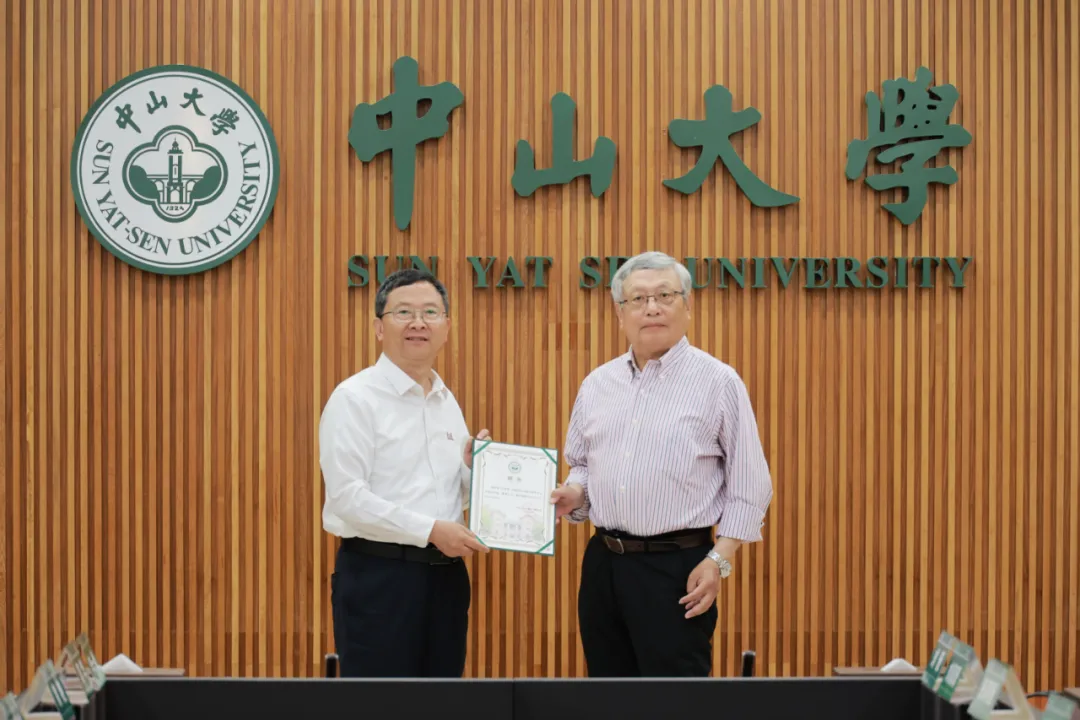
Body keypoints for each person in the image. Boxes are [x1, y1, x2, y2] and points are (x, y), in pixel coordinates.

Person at [550, 251, 774, 678]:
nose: (651, 308)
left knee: (675, 700)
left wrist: (719, 559)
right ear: (620, 313)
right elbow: (581, 464)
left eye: (665, 296)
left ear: (687, 305)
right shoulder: (597, 384)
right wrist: (575, 493)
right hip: (603, 564)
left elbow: (750, 484)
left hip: (678, 568)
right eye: (638, 299)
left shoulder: (718, 382)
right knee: (607, 694)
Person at [320, 268, 490, 678]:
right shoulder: (355, 398)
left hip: (446, 579)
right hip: (380, 578)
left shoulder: (446, 401)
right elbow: (347, 498)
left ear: (446, 327)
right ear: (379, 328)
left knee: (441, 701)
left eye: (431, 312)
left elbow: (449, 495)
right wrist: (430, 530)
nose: (418, 322)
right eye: (403, 313)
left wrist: (475, 472)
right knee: (382, 704)